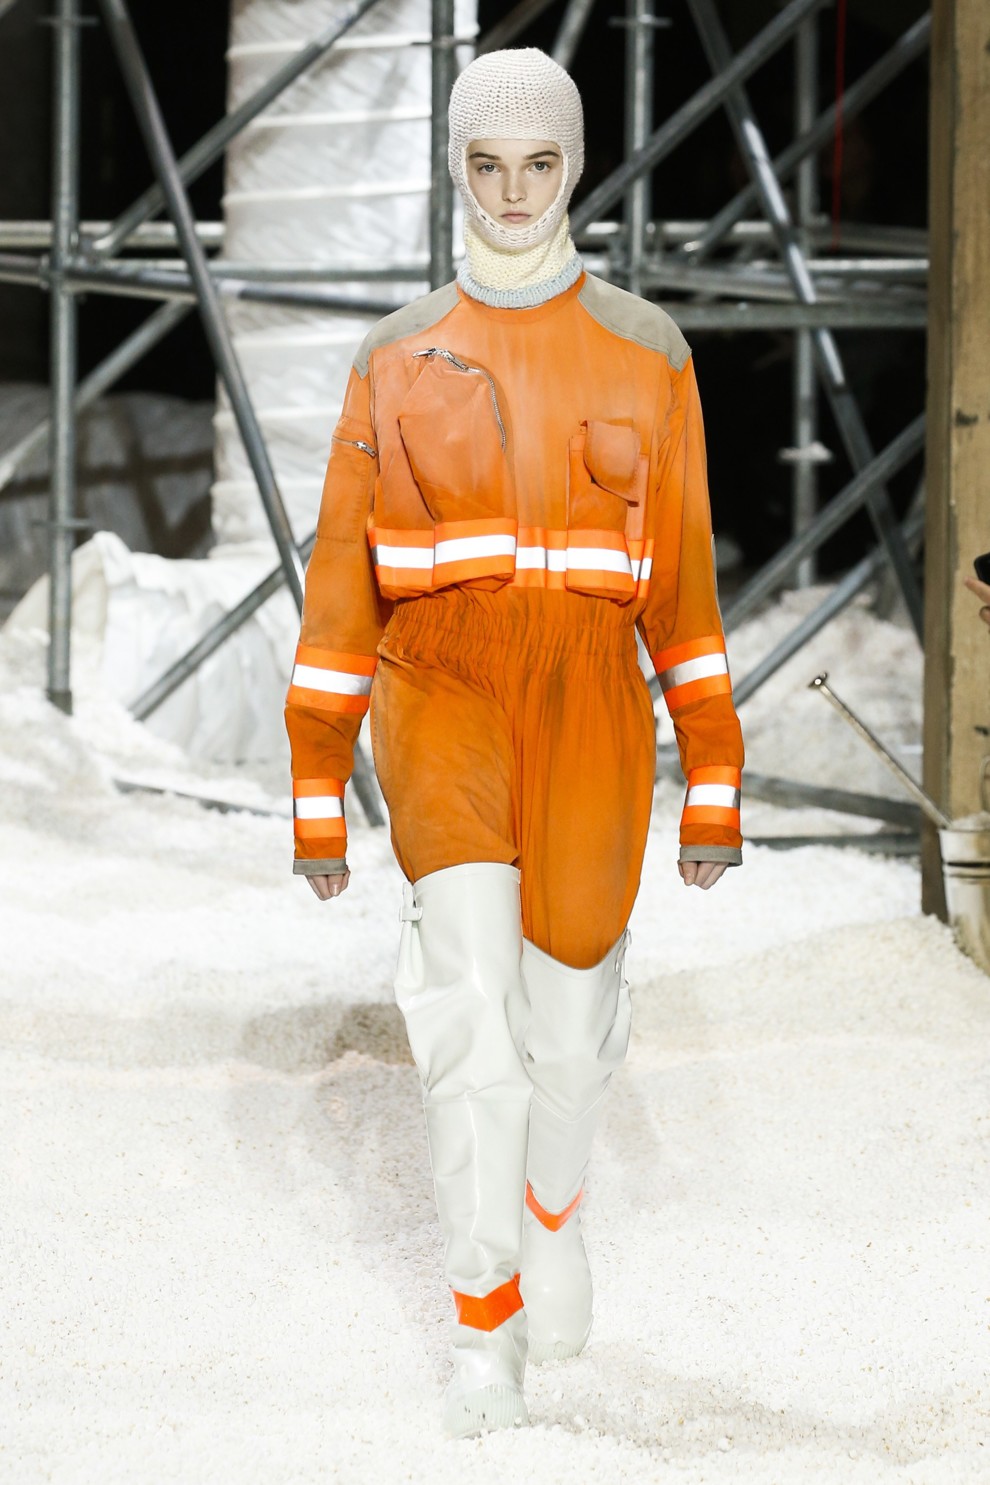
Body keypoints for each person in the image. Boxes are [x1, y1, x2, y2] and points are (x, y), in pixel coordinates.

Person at [284, 48, 744, 1437]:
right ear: (456, 171)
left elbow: (682, 586)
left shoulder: (648, 350)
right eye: (485, 164)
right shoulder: (394, 354)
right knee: (468, 1017)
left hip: (593, 708)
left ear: (574, 167)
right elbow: (340, 583)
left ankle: (554, 1214)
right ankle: (482, 1327)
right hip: (443, 697)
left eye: (537, 163)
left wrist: (713, 774)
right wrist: (317, 779)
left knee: (569, 1031)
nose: (511, 191)